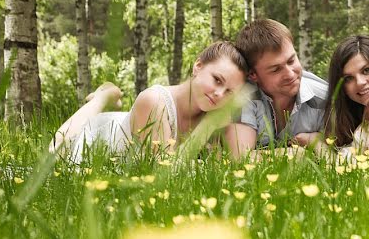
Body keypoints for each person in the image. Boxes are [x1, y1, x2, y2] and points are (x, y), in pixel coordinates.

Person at [50, 41, 248, 164]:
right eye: (217, 80)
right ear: (198, 66)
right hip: (100, 138)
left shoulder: (218, 115)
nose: (220, 94)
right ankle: (103, 96)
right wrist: (209, 125)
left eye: (230, 91)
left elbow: (223, 165)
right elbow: (167, 173)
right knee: (55, 151)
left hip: (134, 124)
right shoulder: (154, 100)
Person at [224, 19, 328, 158]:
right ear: (253, 74)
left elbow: (340, 154)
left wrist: (314, 141)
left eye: (291, 61)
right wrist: (296, 155)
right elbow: (240, 158)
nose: (290, 74)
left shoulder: (325, 97)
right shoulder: (243, 96)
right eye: (276, 69)